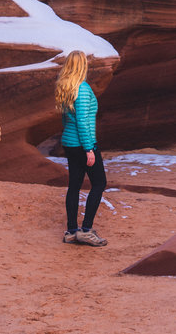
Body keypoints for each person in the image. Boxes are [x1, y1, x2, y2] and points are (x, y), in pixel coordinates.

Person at [55, 50, 108, 246]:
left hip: (70, 143)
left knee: (74, 186)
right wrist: (89, 149)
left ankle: (70, 231)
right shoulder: (83, 89)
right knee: (99, 183)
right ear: (82, 66)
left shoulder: (65, 87)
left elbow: (64, 119)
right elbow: (83, 122)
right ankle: (85, 230)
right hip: (82, 144)